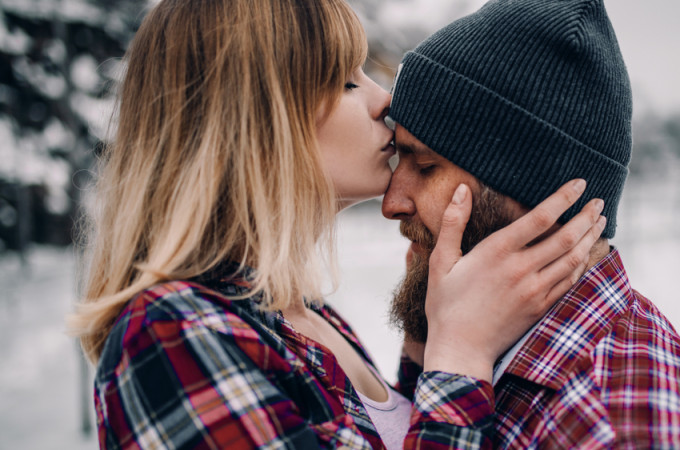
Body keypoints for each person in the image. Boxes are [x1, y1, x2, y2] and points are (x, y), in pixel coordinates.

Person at [66, 0, 607, 448]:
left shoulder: (299, 314)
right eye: (348, 82)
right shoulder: (171, 335)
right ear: (256, 121)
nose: (384, 99)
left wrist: (430, 337)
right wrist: (460, 356)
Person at [382, 0, 680, 448]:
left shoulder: (612, 429)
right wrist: (432, 345)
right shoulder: (501, 348)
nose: (392, 202)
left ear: (535, 191)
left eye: (426, 166)